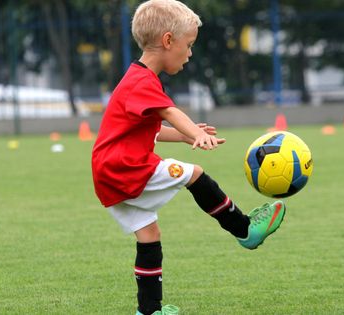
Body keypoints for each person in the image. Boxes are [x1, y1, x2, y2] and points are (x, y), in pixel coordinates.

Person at [91, 1, 286, 314]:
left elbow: (148, 131)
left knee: (149, 234)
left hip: (107, 174)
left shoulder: (135, 80)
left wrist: (184, 134)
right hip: (124, 169)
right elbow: (169, 112)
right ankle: (244, 229)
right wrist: (195, 132)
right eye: (189, 45)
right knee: (194, 173)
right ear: (168, 41)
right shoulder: (142, 81)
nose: (190, 53)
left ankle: (149, 310)